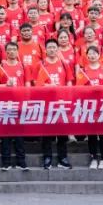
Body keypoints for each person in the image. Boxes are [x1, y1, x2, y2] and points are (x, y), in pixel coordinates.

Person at [0, 41, 29, 170]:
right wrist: (5, 86)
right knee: (5, 135)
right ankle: (5, 162)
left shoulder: (23, 66)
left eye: (14, 49)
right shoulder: (0, 66)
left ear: (17, 51)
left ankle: (21, 161)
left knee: (19, 135)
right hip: (5, 105)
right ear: (6, 52)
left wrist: (27, 101)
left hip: (19, 104)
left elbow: (27, 85)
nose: (12, 52)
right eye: (9, 50)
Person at [36, 39, 72, 169]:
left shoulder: (64, 64)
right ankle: (47, 157)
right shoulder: (41, 65)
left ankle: (63, 157)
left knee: (62, 133)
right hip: (46, 103)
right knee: (47, 133)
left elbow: (69, 81)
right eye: (49, 47)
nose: (52, 50)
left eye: (54, 47)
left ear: (58, 49)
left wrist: (68, 96)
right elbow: (37, 84)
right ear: (46, 50)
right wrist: (48, 86)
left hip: (61, 103)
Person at [76, 45, 103, 169]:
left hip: (102, 106)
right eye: (89, 53)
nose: (92, 55)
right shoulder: (83, 71)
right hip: (89, 106)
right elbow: (79, 88)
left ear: (99, 55)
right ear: (86, 56)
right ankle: (93, 157)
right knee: (92, 133)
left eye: (94, 53)